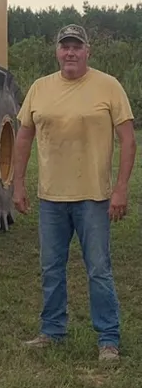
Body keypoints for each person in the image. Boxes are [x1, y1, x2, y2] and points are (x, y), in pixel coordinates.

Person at [12, 23, 135, 362]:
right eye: (65, 46)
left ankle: (108, 339)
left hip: (94, 197)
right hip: (51, 197)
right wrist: (18, 182)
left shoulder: (108, 86)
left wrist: (120, 189)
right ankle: (52, 331)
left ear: (87, 51)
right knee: (51, 267)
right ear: (57, 51)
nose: (70, 52)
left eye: (76, 47)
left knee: (98, 268)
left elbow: (128, 139)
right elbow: (23, 137)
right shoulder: (40, 88)